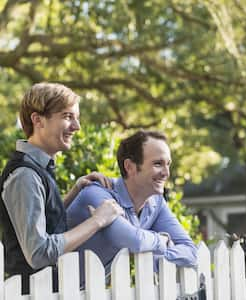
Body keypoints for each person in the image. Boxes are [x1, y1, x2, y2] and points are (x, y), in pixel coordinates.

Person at [0, 83, 123, 294]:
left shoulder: (37, 169)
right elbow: (38, 252)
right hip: (35, 293)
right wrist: (97, 220)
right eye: (67, 116)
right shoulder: (25, 176)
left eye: (76, 117)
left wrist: (74, 192)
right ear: (37, 120)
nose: (77, 126)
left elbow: (43, 222)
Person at [67, 130, 198, 285]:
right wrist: (163, 241)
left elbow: (191, 251)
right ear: (130, 167)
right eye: (158, 164)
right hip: (47, 289)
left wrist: (156, 259)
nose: (166, 173)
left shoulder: (156, 202)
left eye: (168, 164)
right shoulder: (97, 194)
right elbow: (133, 241)